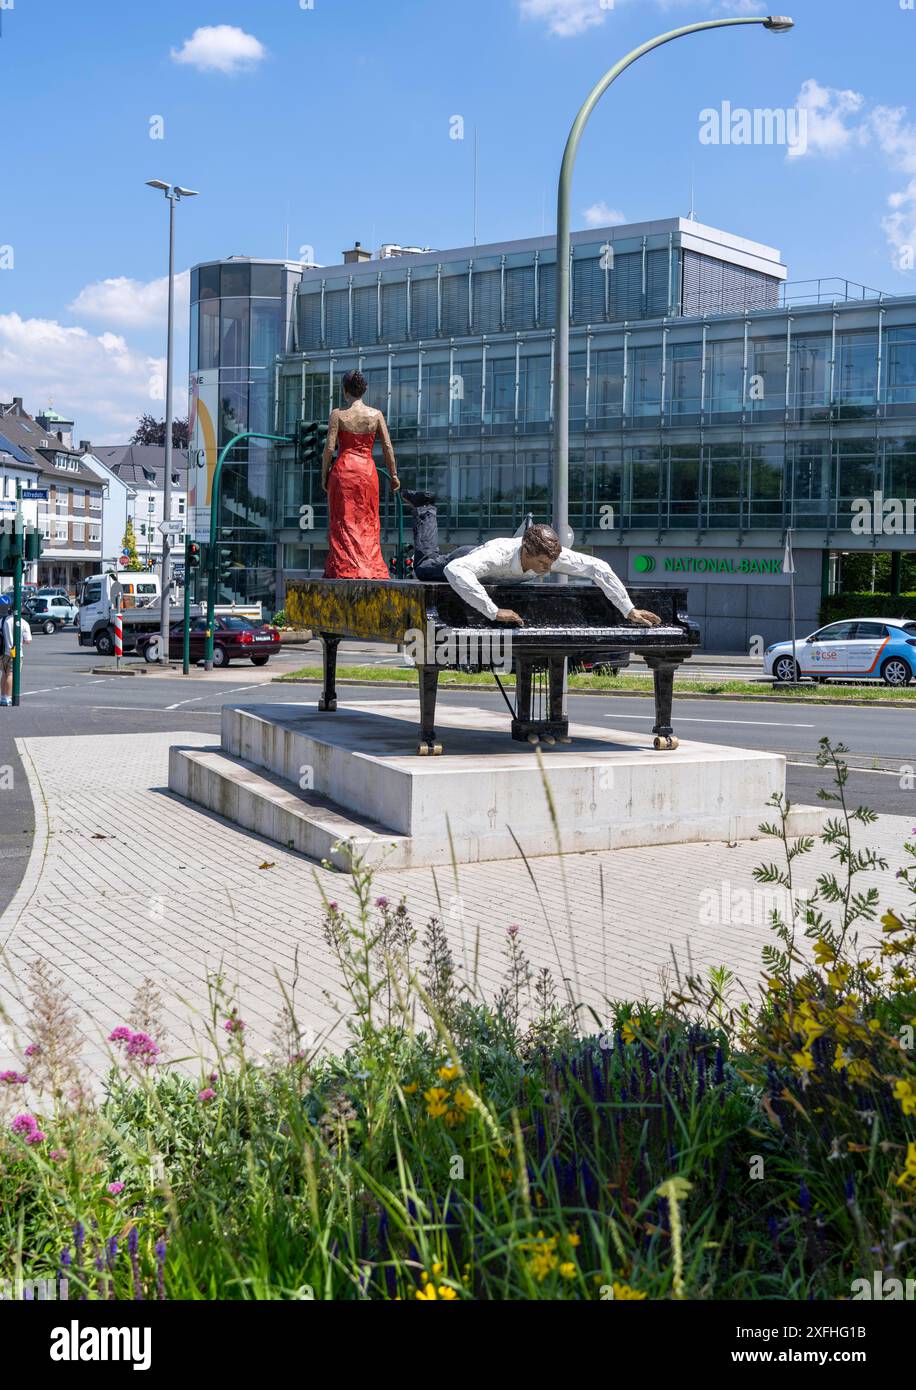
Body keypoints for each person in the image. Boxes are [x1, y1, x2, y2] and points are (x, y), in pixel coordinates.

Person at [400, 490, 660, 627]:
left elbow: (598, 567)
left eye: (550, 563)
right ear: (526, 551)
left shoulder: (548, 553)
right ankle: (424, 506)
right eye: (542, 565)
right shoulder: (497, 554)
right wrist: (493, 611)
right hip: (467, 557)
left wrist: (629, 609)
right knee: (425, 567)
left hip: (493, 574)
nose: (547, 570)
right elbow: (456, 571)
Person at [322, 370, 400, 579]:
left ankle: (345, 566)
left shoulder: (338, 415)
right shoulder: (376, 415)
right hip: (366, 471)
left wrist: (324, 476)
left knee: (343, 519)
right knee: (367, 520)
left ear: (345, 391)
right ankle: (369, 566)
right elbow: (387, 448)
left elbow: (329, 448)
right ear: (364, 390)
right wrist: (393, 475)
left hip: (343, 471)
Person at [0, 596, 32, 706]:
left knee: (4, 674)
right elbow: (28, 640)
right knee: (11, 674)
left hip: (3, 651)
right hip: (17, 653)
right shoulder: (24, 623)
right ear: (21, 609)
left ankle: (3, 696)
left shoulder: (3, 620)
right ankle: (7, 698)